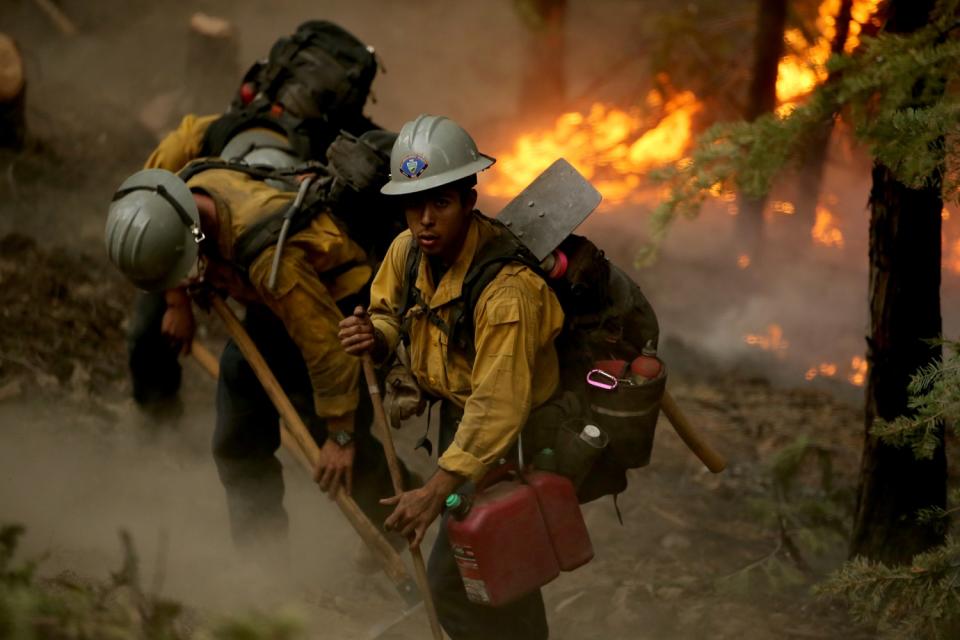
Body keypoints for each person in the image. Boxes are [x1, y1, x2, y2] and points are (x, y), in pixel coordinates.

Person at [338, 114, 563, 639]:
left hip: (516, 436)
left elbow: (499, 407)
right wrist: (377, 336)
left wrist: (437, 488)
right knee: (503, 573)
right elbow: (390, 311)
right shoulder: (407, 251)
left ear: (469, 198)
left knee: (458, 579)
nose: (425, 220)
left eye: (440, 202)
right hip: (463, 422)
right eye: (413, 204)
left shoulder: (507, 292)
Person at [106, 160, 404, 555]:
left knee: (326, 440)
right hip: (275, 308)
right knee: (237, 435)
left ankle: (399, 524)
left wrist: (340, 435)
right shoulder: (185, 193)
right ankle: (263, 560)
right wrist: (178, 299)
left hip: (341, 310)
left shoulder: (269, 260)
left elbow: (328, 349)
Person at [128, 20, 381, 423]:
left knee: (280, 375)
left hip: (284, 270)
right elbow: (149, 206)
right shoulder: (198, 137)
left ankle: (361, 464)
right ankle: (156, 413)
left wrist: (340, 431)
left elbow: (321, 342)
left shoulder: (270, 245)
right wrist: (177, 302)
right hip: (212, 239)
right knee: (150, 326)